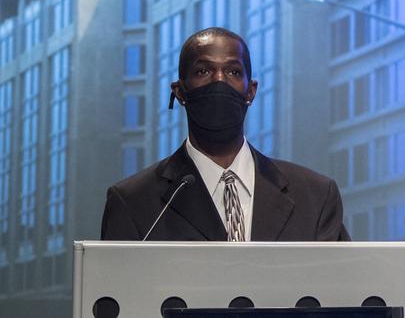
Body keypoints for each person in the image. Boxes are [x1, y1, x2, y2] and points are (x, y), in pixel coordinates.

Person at [101, 27, 349, 241]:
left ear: (251, 91)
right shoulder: (133, 203)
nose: (219, 81)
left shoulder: (315, 197)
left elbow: (345, 289)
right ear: (180, 92)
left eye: (233, 72)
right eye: (203, 72)